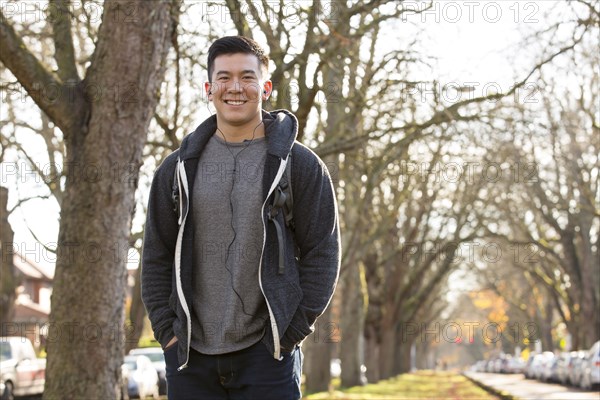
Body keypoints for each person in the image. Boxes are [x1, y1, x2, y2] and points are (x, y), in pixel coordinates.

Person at [141, 36, 341, 400]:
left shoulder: (299, 165)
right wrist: (167, 332)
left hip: (267, 356)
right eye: (224, 77)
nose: (235, 88)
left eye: (247, 77)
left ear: (265, 87)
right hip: (190, 357)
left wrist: (290, 331)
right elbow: (155, 255)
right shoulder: (175, 170)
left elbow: (323, 254)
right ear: (209, 88)